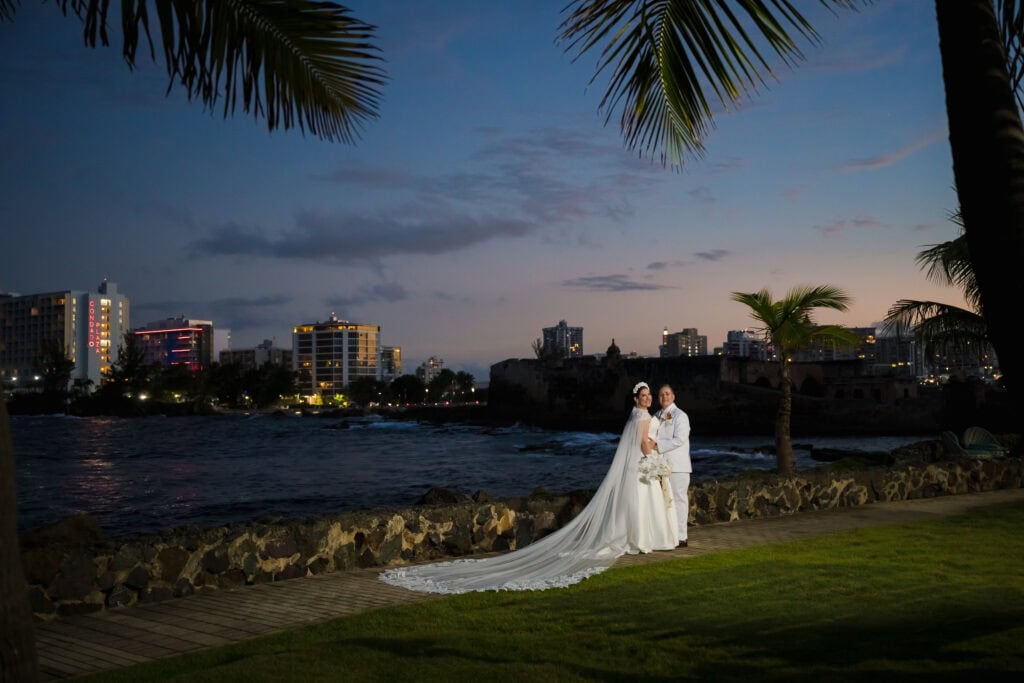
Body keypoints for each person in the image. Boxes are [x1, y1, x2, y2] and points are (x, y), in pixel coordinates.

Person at [378, 381, 675, 594]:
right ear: (637, 399)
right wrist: (658, 453)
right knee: (638, 503)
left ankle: (634, 538)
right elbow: (643, 447)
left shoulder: (637, 416)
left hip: (636, 469)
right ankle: (638, 539)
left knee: (634, 503)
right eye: (645, 395)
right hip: (642, 466)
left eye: (650, 395)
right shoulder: (643, 418)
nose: (648, 399)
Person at [653, 384, 692, 548]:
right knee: (665, 502)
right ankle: (669, 534)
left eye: (667, 394)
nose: (664, 397)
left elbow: (680, 439)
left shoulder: (680, 416)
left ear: (673, 396)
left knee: (679, 500)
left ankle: (682, 537)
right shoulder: (656, 415)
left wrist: (657, 445)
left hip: (678, 466)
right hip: (661, 466)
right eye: (661, 395)